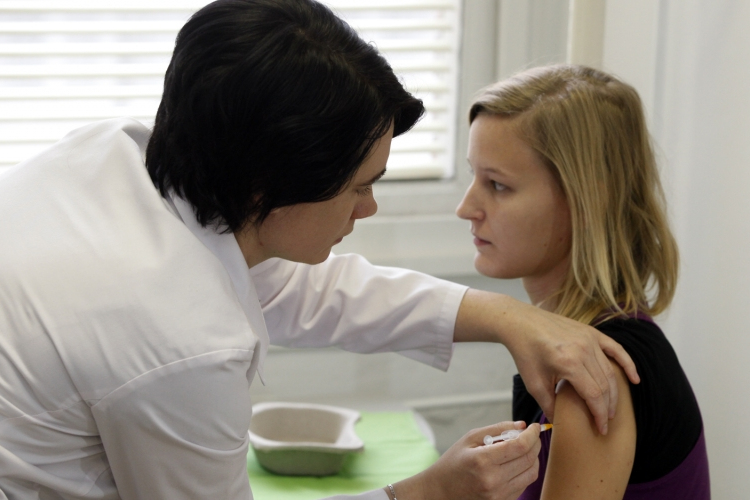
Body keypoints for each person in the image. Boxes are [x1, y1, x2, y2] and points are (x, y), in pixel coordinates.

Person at [0, 2, 639, 499]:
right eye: (358, 187)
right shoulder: (174, 342)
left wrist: (506, 317)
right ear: (267, 187)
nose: (368, 208)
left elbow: (295, 286)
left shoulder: (124, 156)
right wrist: (425, 492)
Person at [457, 64, 710, 499]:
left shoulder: (593, 378)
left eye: (497, 185)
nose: (466, 208)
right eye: (473, 176)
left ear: (586, 199)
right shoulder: (585, 346)